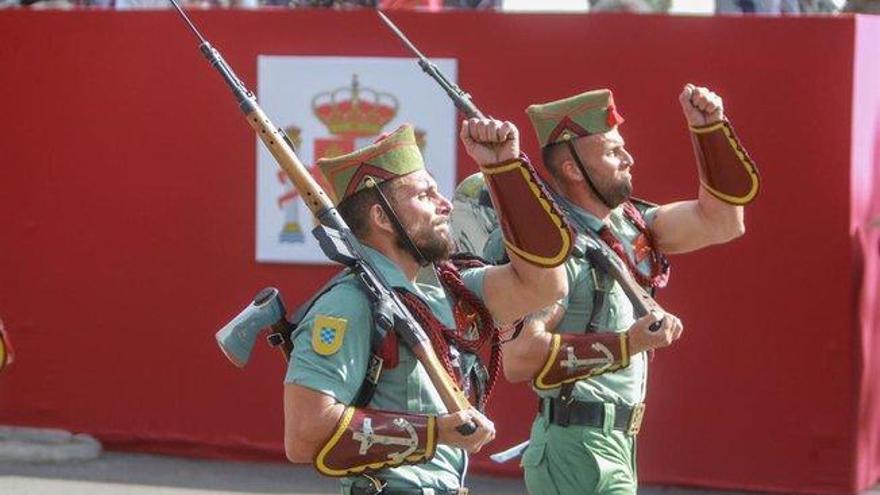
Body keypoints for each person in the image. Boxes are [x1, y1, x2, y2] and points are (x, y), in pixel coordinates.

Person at [483, 85, 760, 495]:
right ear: (575, 170)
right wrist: (627, 343)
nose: (629, 158)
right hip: (577, 446)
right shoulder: (555, 247)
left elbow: (722, 222)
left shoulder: (630, 226)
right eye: (613, 152)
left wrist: (709, 132)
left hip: (616, 442)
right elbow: (520, 359)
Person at [282, 120, 573, 495]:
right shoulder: (349, 304)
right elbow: (304, 436)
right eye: (425, 195)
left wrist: (504, 170)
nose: (445, 204)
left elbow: (545, 285)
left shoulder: (448, 288)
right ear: (382, 219)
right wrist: (435, 432)